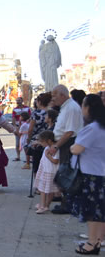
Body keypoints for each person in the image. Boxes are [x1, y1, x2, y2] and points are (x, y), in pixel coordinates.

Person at [70, 94, 105, 255]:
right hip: (100, 172)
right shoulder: (101, 126)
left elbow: (77, 148)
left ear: (89, 108)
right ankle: (98, 240)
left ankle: (91, 242)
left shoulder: (93, 128)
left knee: (92, 211)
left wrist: (72, 148)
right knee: (100, 210)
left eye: (83, 106)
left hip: (91, 174)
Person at [49, 84, 83, 215]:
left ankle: (68, 204)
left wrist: (56, 145)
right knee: (64, 174)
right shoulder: (66, 107)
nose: (53, 99)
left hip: (69, 143)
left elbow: (69, 132)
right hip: (65, 143)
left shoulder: (71, 108)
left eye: (54, 95)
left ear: (62, 95)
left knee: (67, 175)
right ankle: (66, 202)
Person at [34, 131, 60, 214]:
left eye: (42, 142)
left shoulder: (53, 149)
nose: (41, 144)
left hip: (50, 171)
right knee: (45, 189)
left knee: (46, 190)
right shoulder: (47, 147)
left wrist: (47, 156)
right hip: (45, 170)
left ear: (48, 141)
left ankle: (43, 206)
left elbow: (55, 161)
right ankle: (45, 205)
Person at [26, 92, 51, 174]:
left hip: (37, 141)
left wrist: (28, 139)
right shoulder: (51, 113)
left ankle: (37, 184)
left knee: (36, 165)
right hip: (49, 141)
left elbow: (30, 129)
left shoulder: (36, 113)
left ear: (39, 102)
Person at [12, 97, 31, 161]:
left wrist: (28, 122)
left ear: (22, 101)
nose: (18, 102)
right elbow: (13, 118)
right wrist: (15, 127)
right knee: (17, 143)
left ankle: (28, 158)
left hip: (26, 127)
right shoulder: (15, 110)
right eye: (17, 100)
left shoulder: (27, 108)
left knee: (27, 143)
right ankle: (18, 156)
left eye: (19, 100)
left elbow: (30, 116)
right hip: (18, 127)